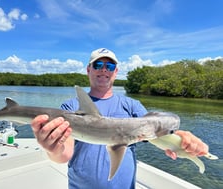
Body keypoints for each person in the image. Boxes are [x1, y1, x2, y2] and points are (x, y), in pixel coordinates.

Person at [31, 48, 209, 189]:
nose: (103, 69)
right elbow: (64, 154)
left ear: (115, 72)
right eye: (98, 64)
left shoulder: (132, 106)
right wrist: (52, 148)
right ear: (88, 70)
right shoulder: (70, 108)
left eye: (109, 66)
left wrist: (182, 140)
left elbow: (155, 131)